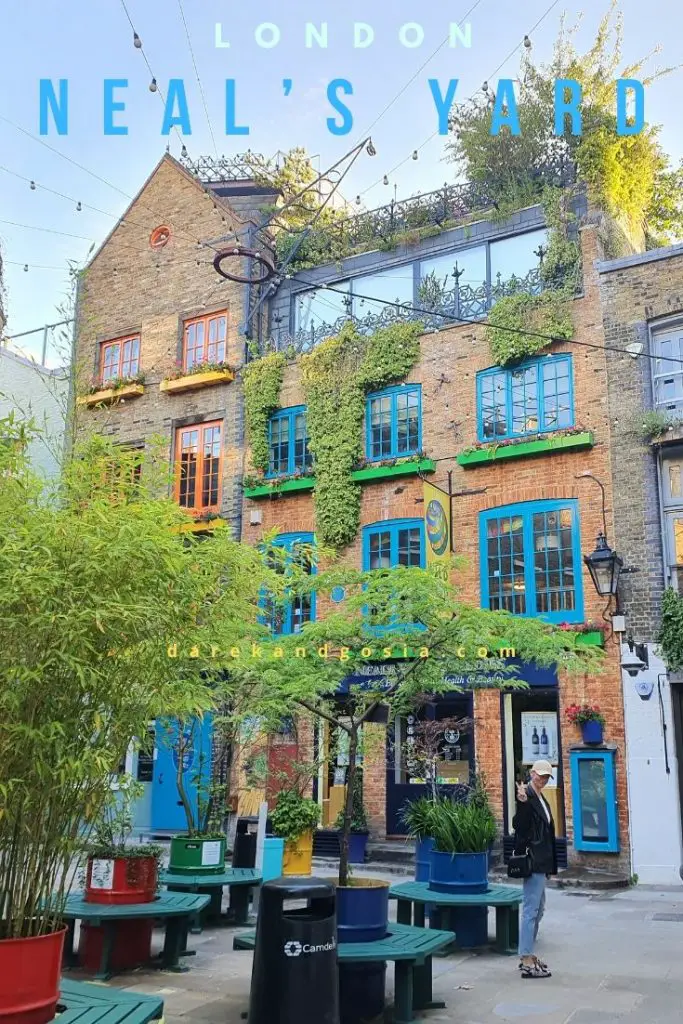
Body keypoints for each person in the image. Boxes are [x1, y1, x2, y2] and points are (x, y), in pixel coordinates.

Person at [512, 758, 558, 979]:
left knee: (538, 910)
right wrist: (521, 802)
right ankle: (526, 958)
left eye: (546, 776)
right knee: (531, 911)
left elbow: (547, 833)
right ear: (531, 773)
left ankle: (528, 954)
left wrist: (550, 865)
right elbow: (519, 826)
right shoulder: (527, 796)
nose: (541, 779)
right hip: (533, 860)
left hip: (542, 861)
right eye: (539, 774)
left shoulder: (541, 797)